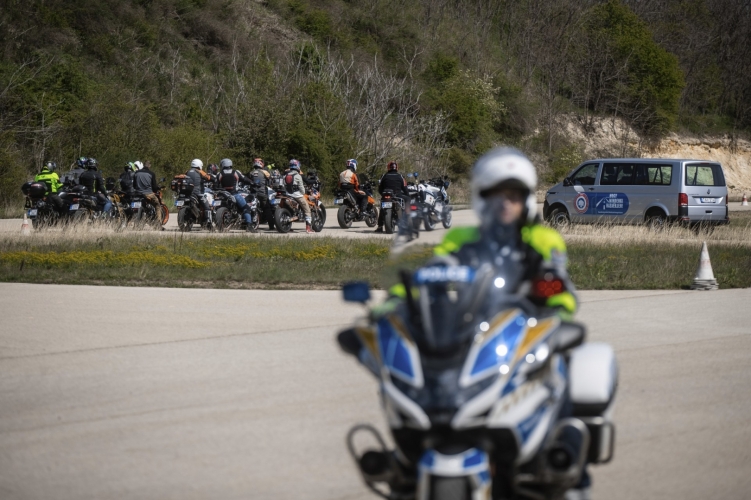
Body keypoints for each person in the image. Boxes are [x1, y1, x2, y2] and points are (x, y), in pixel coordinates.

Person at [380, 147, 583, 498]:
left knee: (559, 375)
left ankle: (569, 473)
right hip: (473, 337)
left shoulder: (543, 239)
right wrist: (395, 302)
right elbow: (429, 275)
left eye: (513, 196)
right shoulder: (461, 240)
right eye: (495, 195)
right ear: (481, 198)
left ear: (525, 199)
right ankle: (408, 465)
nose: (505, 203)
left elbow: (561, 291)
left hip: (527, 336)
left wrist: (554, 311)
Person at [217, 158, 254, 230]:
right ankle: (249, 225)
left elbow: (215, 185)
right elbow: (244, 179)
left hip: (223, 195)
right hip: (234, 194)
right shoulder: (235, 172)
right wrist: (252, 183)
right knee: (246, 208)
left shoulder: (219, 174)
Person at [375, 160, 410, 233]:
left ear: (388, 167)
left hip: (386, 195)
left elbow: (380, 188)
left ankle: (380, 226)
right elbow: (405, 188)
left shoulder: (384, 176)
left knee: (382, 208)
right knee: (407, 199)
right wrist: (407, 194)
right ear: (396, 167)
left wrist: (383, 194)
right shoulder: (400, 176)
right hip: (397, 195)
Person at [284, 159, 312, 233]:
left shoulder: (285, 175)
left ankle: (288, 225)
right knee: (307, 209)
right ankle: (308, 228)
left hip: (287, 195)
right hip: (297, 196)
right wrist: (303, 192)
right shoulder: (298, 176)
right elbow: (302, 189)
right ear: (297, 166)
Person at [185, 158, 214, 229]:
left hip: (188, 193)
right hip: (198, 193)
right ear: (199, 165)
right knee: (207, 207)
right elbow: (209, 178)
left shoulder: (187, 171)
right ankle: (209, 224)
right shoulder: (199, 171)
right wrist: (212, 179)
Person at [247, 158, 275, 228]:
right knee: (267, 208)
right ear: (261, 164)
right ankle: (271, 225)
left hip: (253, 193)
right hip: (262, 193)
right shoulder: (265, 172)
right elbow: (271, 180)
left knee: (250, 207)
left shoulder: (251, 172)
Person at [133, 160, 163, 224]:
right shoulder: (151, 174)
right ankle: (159, 224)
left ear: (143, 165)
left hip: (138, 194)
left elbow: (134, 185)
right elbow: (154, 186)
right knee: (157, 205)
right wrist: (155, 190)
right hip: (148, 194)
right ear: (149, 165)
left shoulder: (136, 173)